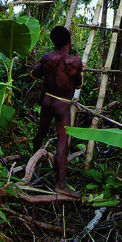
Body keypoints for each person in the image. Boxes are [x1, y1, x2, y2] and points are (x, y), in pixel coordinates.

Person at [30, 25, 83, 198]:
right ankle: (61, 184)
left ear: (53, 41)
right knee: (62, 143)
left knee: (41, 132)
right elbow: (78, 85)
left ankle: (34, 161)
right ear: (69, 41)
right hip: (62, 105)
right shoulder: (75, 62)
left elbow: (34, 74)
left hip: (47, 101)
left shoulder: (47, 57)